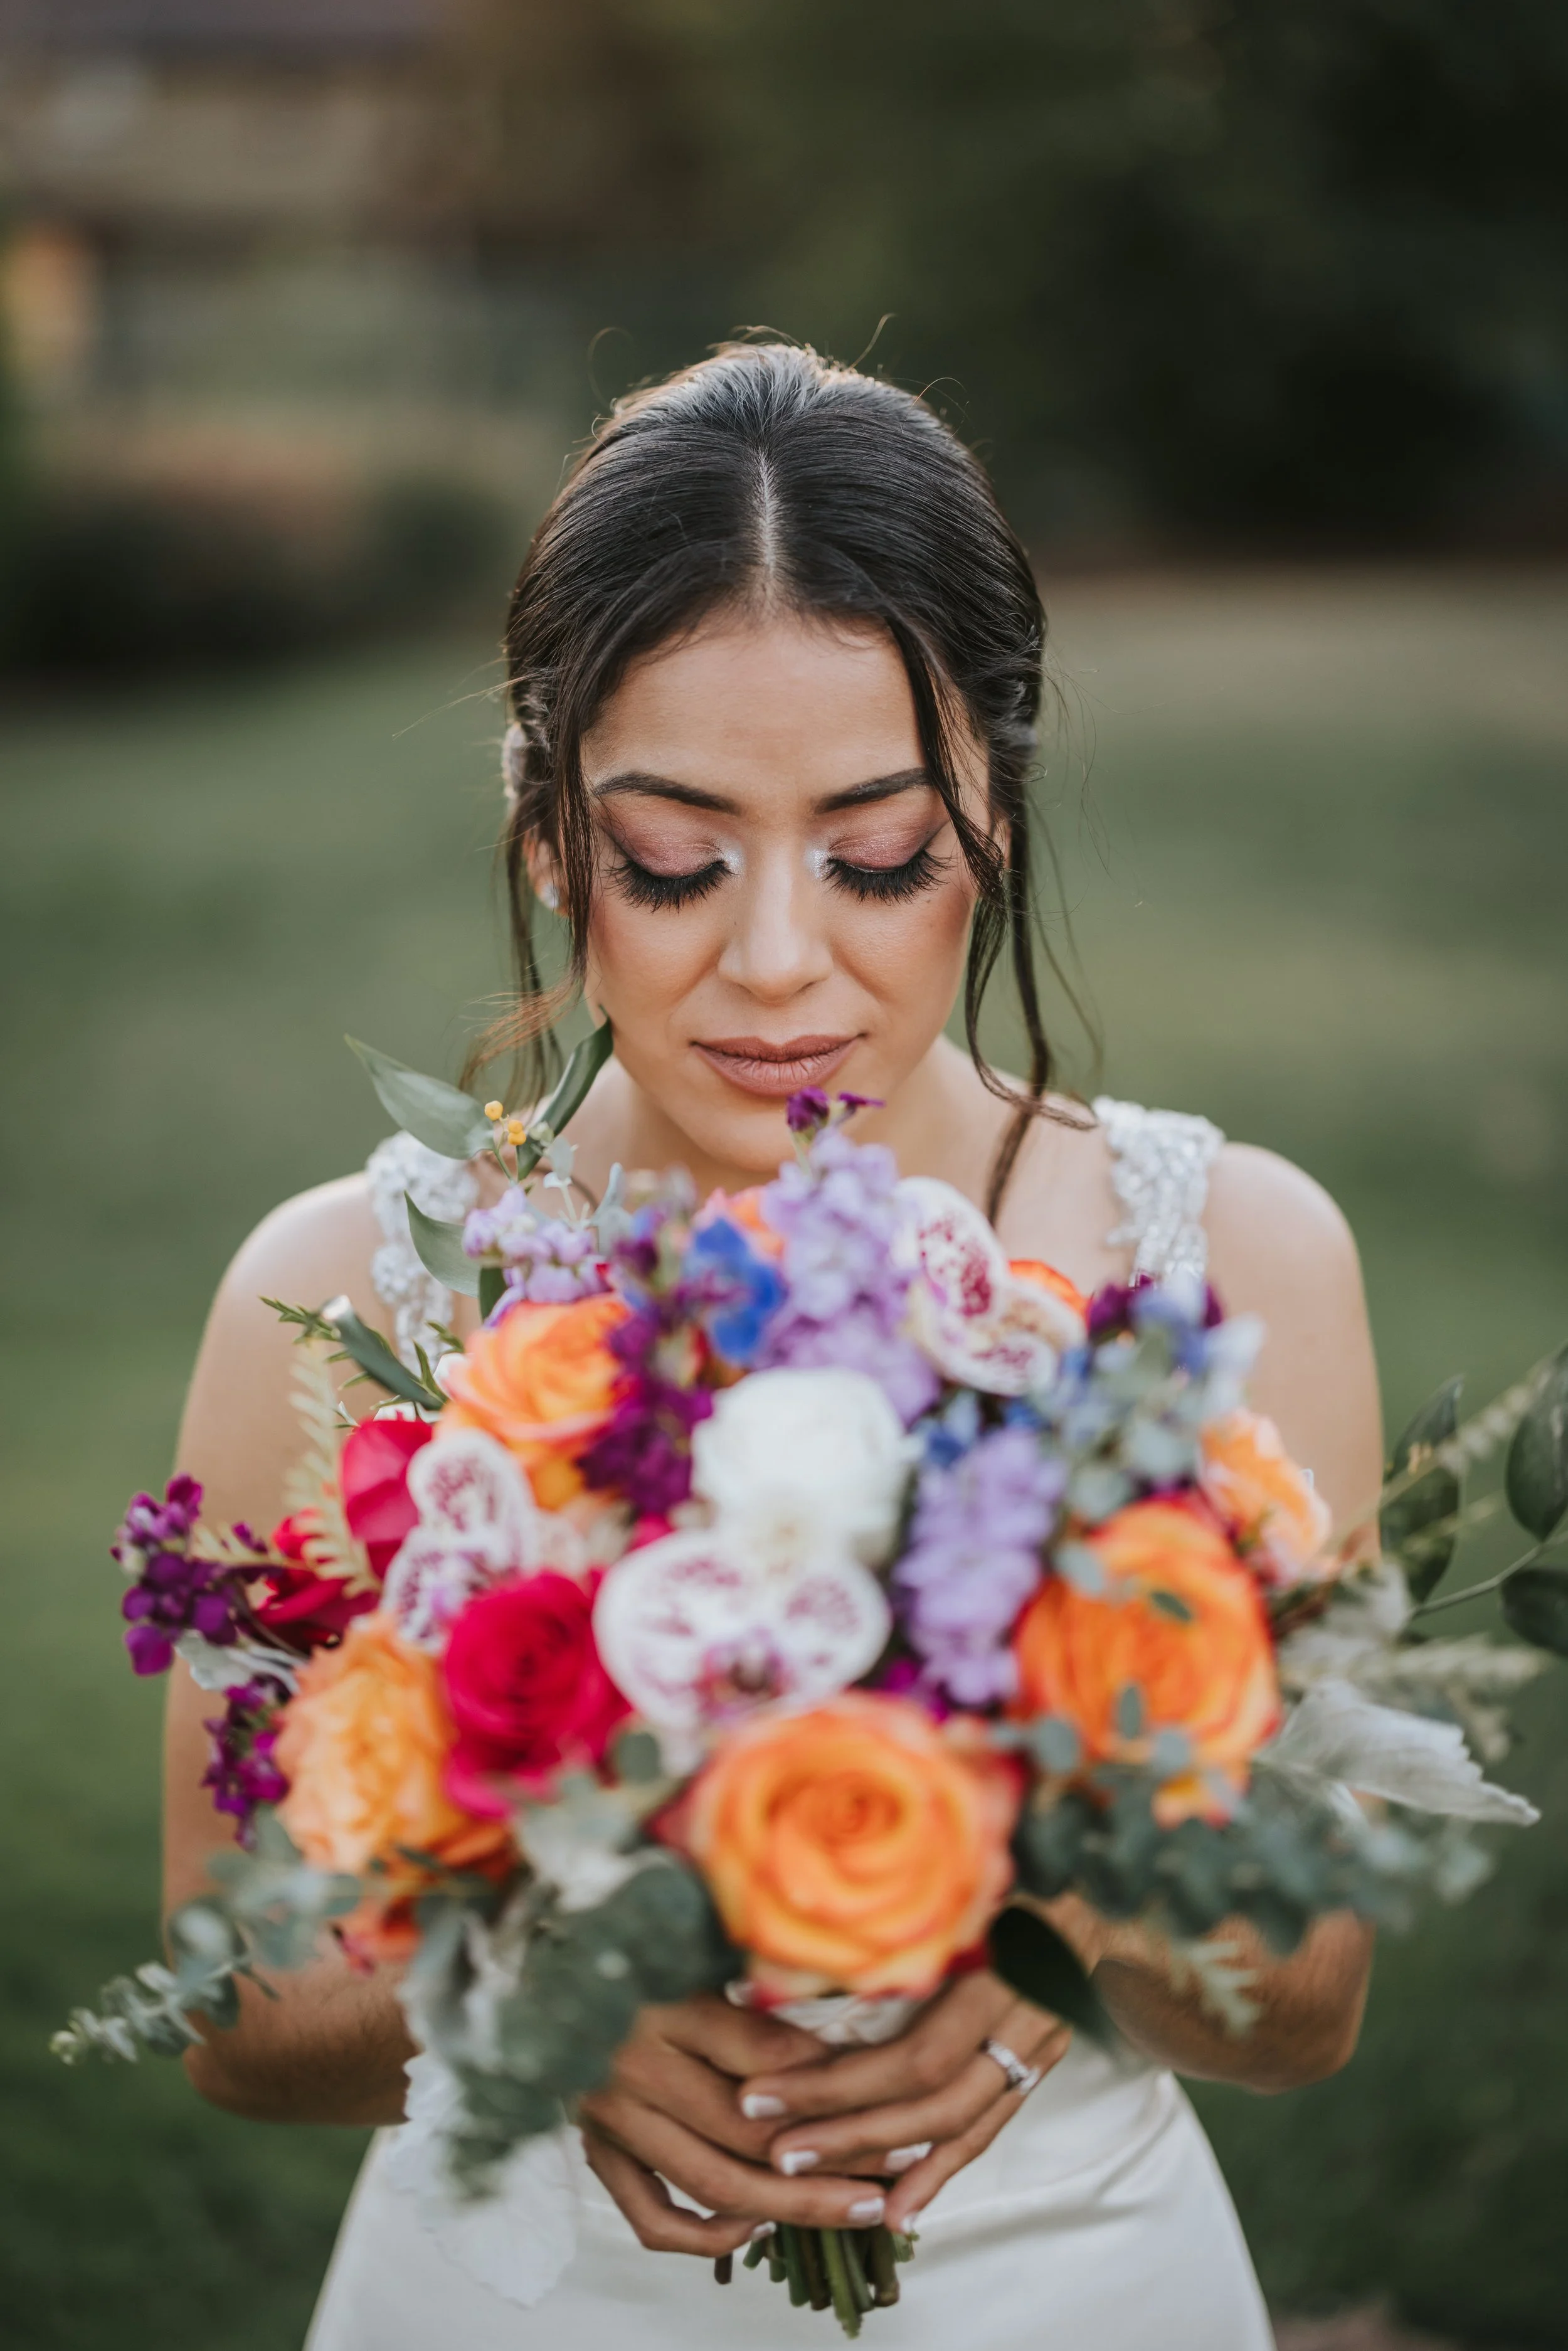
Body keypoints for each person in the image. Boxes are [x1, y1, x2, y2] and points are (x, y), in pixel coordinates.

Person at [163, 342, 1380, 2349]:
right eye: (672, 856)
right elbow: (234, 2006)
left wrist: (1035, 1873)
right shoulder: (353, 1299)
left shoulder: (1230, 1258)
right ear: (550, 829)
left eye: (878, 851)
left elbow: (1305, 2002)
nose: (780, 957)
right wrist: (529, 2004)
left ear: (992, 804)